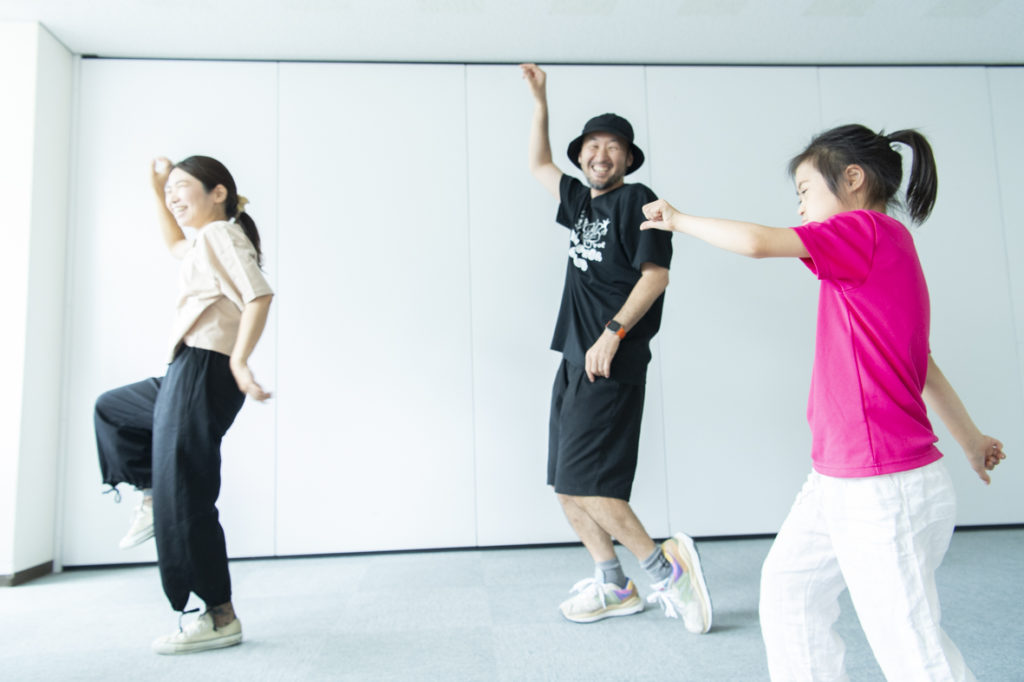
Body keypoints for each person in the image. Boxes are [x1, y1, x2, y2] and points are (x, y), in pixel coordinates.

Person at [641, 124, 1006, 679]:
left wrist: (678, 219)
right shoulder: (881, 251)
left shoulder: (865, 230)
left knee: (912, 650)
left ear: (852, 179)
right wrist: (972, 440)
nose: (802, 208)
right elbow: (922, 365)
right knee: (791, 592)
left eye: (805, 191)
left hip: (883, 486)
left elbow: (759, 243)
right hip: (840, 477)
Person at [520, 63, 713, 633]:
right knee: (566, 485)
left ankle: (667, 570)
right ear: (581, 156)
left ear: (628, 159)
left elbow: (656, 276)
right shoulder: (581, 202)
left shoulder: (639, 200)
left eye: (613, 147)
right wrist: (540, 100)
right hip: (573, 359)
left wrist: (613, 333)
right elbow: (538, 165)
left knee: (591, 484)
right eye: (592, 146)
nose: (600, 154)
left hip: (612, 360)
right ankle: (615, 584)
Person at [94, 155, 274, 655]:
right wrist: (157, 190)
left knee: (189, 498)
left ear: (218, 193)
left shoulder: (219, 234)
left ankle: (219, 617)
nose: (174, 196)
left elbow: (258, 296)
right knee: (114, 409)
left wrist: (240, 361)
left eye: (182, 187)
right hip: (187, 370)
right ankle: (153, 494)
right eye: (170, 190)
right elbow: (175, 244)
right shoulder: (206, 240)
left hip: (204, 369)